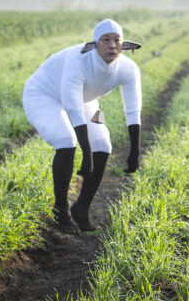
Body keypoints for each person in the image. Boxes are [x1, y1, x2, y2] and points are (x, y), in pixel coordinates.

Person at [23, 18, 142, 233]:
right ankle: (60, 209)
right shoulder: (78, 60)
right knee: (66, 140)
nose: (112, 46)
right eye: (105, 40)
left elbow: (133, 109)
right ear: (94, 44)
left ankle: (82, 208)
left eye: (117, 40)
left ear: (125, 45)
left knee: (103, 144)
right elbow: (72, 106)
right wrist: (86, 154)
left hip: (87, 101)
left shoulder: (128, 69)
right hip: (44, 95)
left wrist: (135, 150)